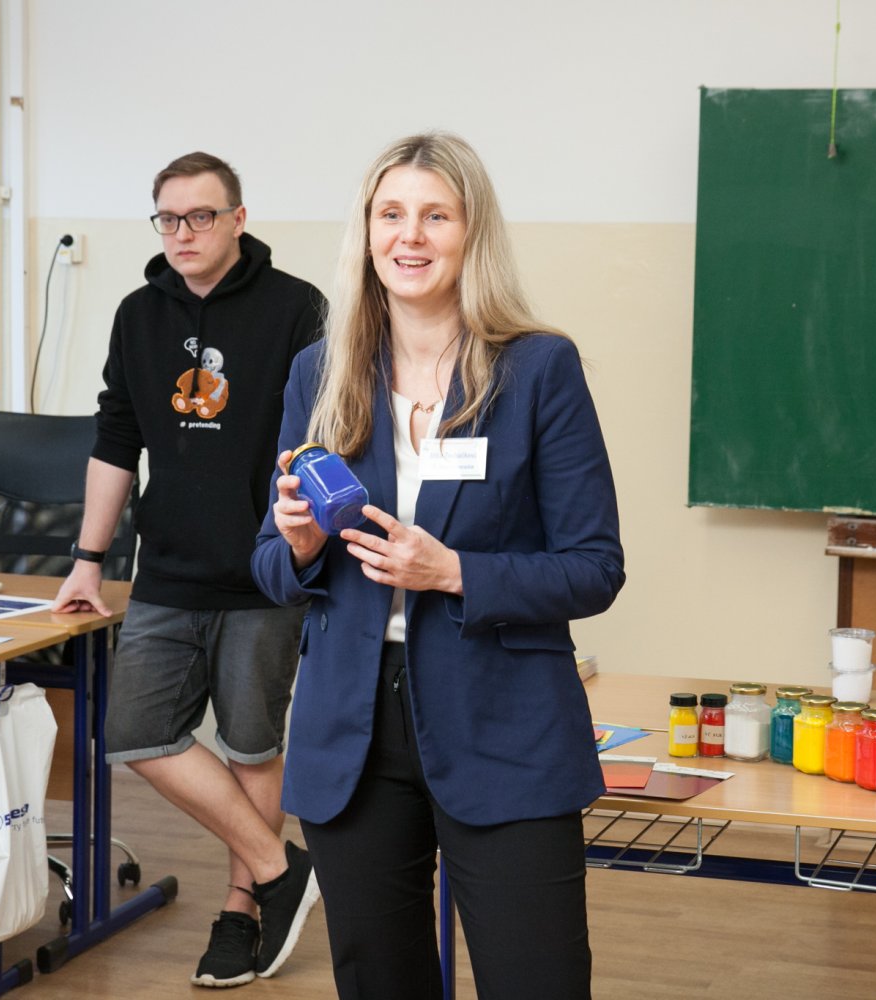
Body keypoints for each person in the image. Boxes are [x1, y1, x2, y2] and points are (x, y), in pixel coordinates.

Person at [251, 132, 625, 1000]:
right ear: (367, 232)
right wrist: (298, 546)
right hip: (353, 731)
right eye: (391, 214)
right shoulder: (320, 372)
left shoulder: (538, 369)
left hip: (505, 721)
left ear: (472, 232)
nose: (409, 236)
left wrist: (455, 571)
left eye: (435, 216)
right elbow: (270, 564)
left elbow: (594, 566)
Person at [51, 151, 324, 988]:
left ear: (238, 219)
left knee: (250, 747)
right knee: (136, 733)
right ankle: (279, 869)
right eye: (168, 218)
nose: (182, 233)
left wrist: (306, 550)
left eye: (200, 216)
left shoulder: (296, 307)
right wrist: (88, 560)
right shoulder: (138, 314)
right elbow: (115, 439)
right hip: (165, 568)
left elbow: (319, 437)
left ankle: (241, 913)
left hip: (262, 570)